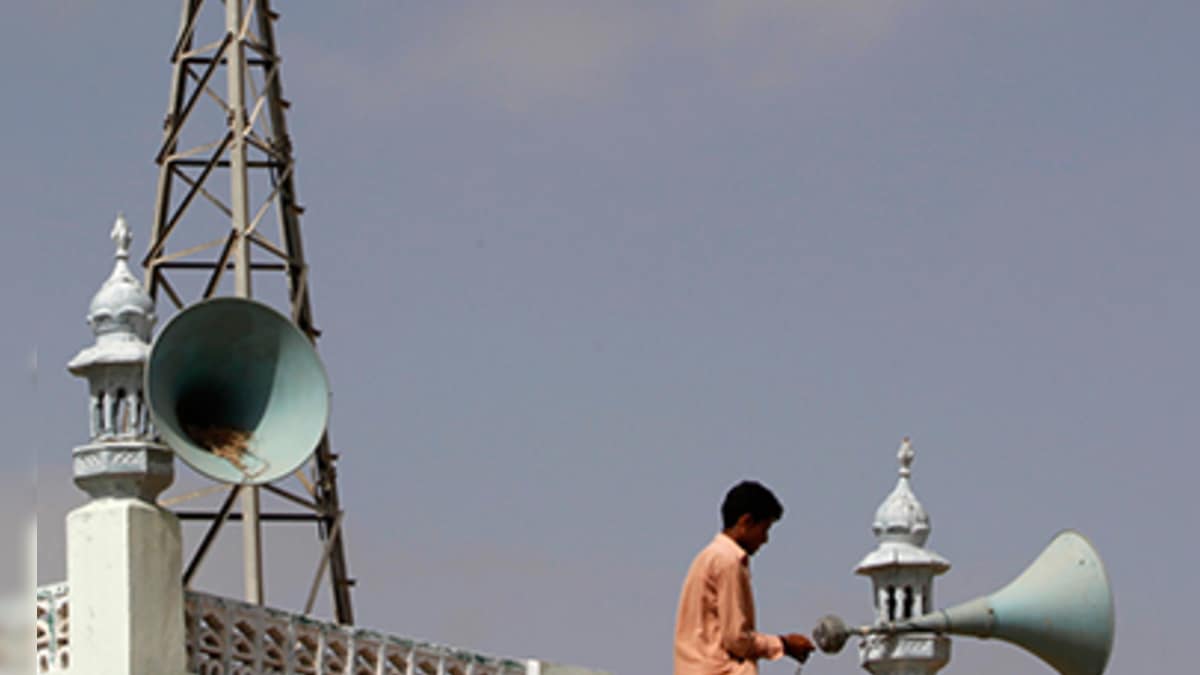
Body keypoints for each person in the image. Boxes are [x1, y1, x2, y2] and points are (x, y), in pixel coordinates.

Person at [674, 480, 815, 675]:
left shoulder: (708, 557)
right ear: (746, 522)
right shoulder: (728, 561)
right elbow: (736, 640)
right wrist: (783, 644)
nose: (765, 539)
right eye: (764, 529)